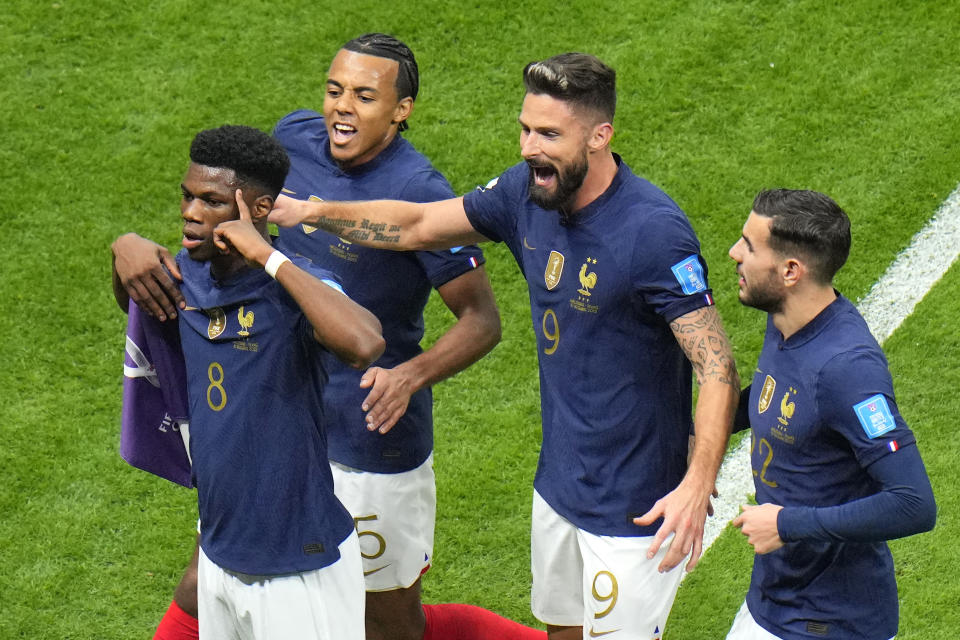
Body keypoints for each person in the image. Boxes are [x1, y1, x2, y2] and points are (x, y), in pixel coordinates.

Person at [269, 52, 740, 640]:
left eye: (548, 135)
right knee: (560, 632)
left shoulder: (654, 232)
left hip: (635, 506)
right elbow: (417, 225)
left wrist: (697, 483)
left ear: (600, 136)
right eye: (525, 129)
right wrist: (314, 211)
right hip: (560, 486)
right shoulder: (523, 193)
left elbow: (716, 364)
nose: (528, 148)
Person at [112, 34, 542, 640]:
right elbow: (226, 212)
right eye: (335, 89)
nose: (342, 106)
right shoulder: (294, 140)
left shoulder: (420, 191)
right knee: (207, 578)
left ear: (402, 111)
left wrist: (409, 375)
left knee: (387, 623)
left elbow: (482, 321)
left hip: (367, 432)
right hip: (281, 417)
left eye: (365, 96)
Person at [114, 124, 386, 638]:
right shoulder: (187, 279)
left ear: (257, 209)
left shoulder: (296, 287)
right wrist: (122, 248)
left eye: (211, 201)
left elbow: (364, 342)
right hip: (218, 554)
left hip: (299, 567)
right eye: (187, 196)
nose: (190, 213)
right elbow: (139, 302)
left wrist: (266, 255)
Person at [727, 189, 936, 640]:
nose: (734, 253)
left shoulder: (847, 369)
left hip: (832, 623)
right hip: (774, 600)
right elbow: (774, 392)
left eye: (749, 245)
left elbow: (914, 503)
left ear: (790, 271)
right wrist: (700, 432)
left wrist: (786, 523)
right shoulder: (785, 317)